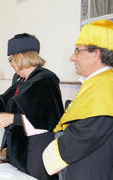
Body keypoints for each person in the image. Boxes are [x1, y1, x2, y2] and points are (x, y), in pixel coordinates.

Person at [42, 20, 113, 180]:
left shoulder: (105, 88)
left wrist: (49, 155)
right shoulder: (99, 83)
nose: (72, 58)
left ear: (96, 54)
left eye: (77, 51)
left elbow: (85, 134)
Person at [0, 33, 64, 180]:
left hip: (37, 151)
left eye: (11, 58)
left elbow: (47, 120)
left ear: (21, 57)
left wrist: (12, 119)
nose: (11, 63)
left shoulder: (46, 79)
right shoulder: (21, 80)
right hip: (19, 149)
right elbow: (1, 103)